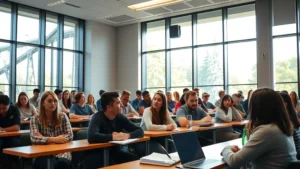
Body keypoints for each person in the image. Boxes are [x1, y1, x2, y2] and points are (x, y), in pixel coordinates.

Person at [221, 88, 297, 169]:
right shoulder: (282, 127)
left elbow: (234, 161)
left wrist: (226, 148)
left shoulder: (267, 131)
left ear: (256, 107)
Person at [85, 92, 144, 168]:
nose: (122, 105)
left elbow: (140, 131)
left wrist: (128, 135)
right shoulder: (97, 117)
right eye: (118, 103)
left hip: (114, 153)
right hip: (97, 154)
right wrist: (113, 137)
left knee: (135, 160)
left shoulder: (120, 117)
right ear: (109, 107)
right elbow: (91, 136)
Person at [30, 91, 73, 169]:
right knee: (44, 164)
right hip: (42, 152)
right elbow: (34, 138)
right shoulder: (35, 118)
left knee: (62, 164)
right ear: (43, 103)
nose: (53, 103)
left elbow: (70, 135)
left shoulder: (62, 116)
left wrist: (44, 139)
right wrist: (55, 139)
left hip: (61, 152)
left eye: (55, 101)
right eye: (49, 101)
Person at [0, 95, 20, 169]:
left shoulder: (14, 109)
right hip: (1, 137)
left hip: (13, 136)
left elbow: (17, 127)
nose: (1, 111)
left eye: (4, 108)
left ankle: (13, 166)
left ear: (9, 105)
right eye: (0, 108)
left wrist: (2, 129)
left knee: (13, 144)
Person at [279, 92, 300, 160]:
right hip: (296, 155)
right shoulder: (293, 115)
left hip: (293, 157)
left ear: (285, 104)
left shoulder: (286, 120)